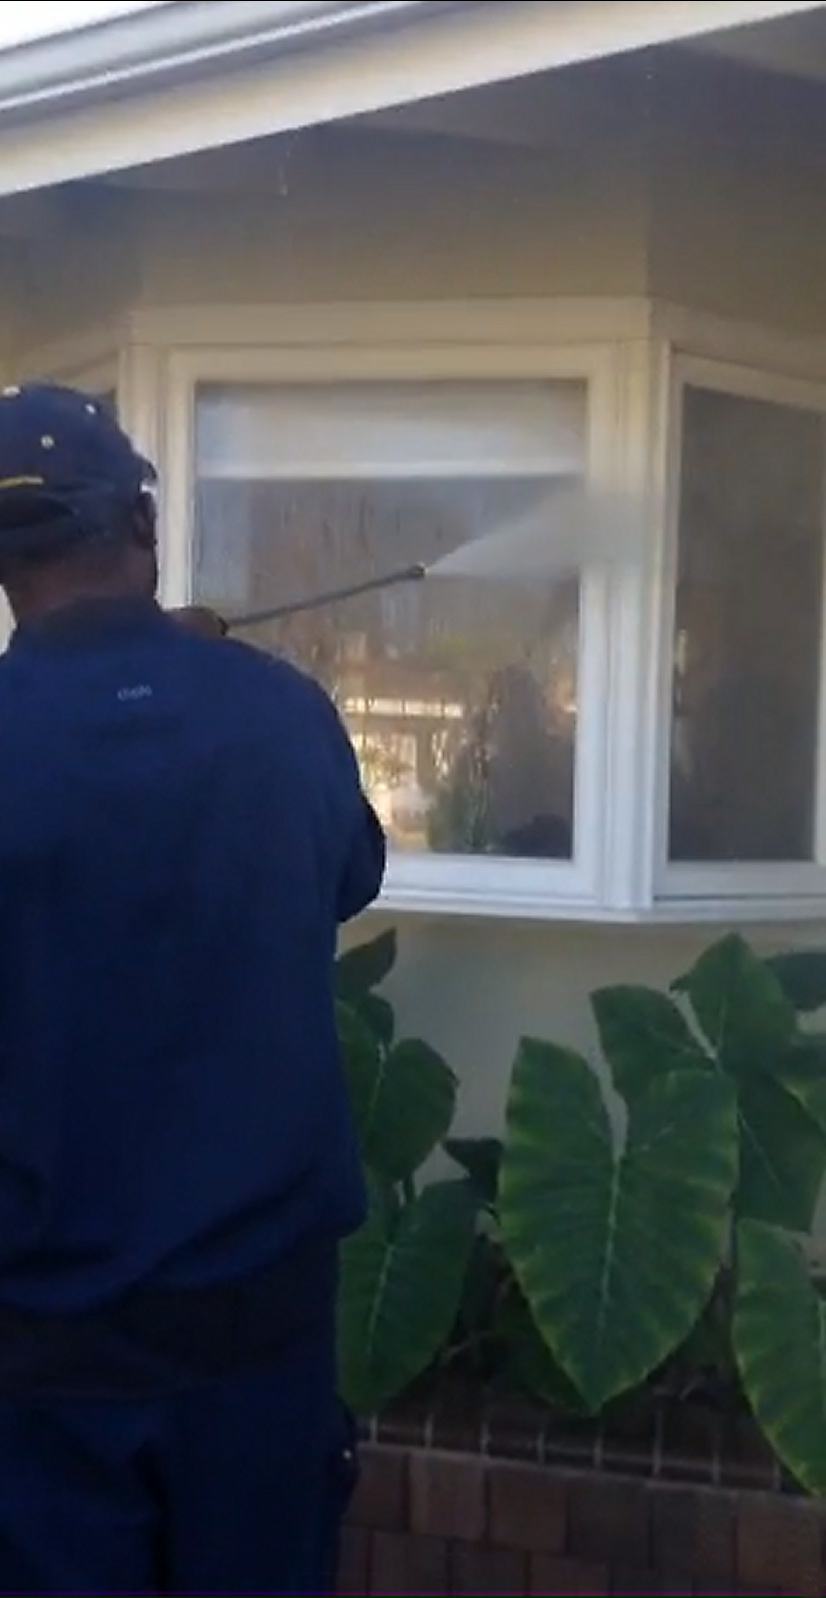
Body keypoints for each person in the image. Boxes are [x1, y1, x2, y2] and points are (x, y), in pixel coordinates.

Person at [0, 382, 385, 1595]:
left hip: (42, 1353)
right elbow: (350, 874)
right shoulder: (280, 712)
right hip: (260, 1341)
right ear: (142, 524)